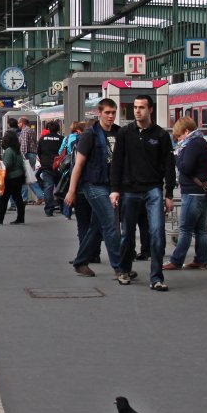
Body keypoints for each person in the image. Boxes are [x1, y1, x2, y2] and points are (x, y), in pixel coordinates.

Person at [110, 95, 176, 292]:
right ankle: (124, 269)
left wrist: (169, 194)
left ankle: (156, 277)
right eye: (135, 107)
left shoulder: (162, 136)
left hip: (153, 189)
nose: (137, 111)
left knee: (157, 234)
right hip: (129, 190)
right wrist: (114, 189)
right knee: (127, 234)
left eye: (141, 107)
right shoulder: (124, 133)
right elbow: (117, 162)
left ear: (151, 110)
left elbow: (169, 166)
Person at [65, 98, 129, 283]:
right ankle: (120, 268)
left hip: (112, 186)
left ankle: (81, 261)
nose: (110, 116)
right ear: (99, 113)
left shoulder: (119, 133)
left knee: (97, 226)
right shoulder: (90, 135)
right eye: (107, 112)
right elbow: (78, 165)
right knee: (110, 223)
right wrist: (71, 190)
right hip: (93, 185)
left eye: (113, 113)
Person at [164, 116, 207, 270]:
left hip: (193, 193)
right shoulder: (200, 141)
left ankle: (176, 260)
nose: (178, 139)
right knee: (200, 230)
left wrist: (176, 156)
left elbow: (186, 167)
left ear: (186, 131)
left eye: (179, 136)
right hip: (201, 192)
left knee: (185, 229)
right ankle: (201, 260)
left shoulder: (193, 144)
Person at [0, 131, 26, 224]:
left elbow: (6, 165)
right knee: (18, 198)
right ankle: (20, 218)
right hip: (19, 176)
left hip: (11, 178)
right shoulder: (17, 150)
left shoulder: (9, 151)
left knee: (4, 199)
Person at [37, 121, 64, 217]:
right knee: (61, 187)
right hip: (59, 167)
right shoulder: (61, 139)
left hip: (46, 166)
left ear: (48, 129)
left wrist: (43, 161)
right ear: (58, 129)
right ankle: (63, 207)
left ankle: (49, 209)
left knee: (48, 187)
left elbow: (39, 152)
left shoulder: (42, 139)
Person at [18, 117, 44, 203]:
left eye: (19, 123)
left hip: (27, 155)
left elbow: (24, 145)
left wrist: (22, 157)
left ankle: (24, 198)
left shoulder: (25, 131)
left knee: (25, 177)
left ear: (22, 123)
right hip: (32, 154)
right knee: (29, 177)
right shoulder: (31, 130)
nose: (18, 125)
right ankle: (40, 195)